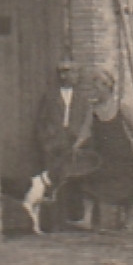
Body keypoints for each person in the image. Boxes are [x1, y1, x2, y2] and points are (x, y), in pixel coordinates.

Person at [72, 66, 133, 232]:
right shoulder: (93, 110)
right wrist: (77, 145)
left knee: (128, 185)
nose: (94, 92)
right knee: (90, 180)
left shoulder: (122, 108)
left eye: (97, 88)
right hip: (102, 155)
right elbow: (86, 130)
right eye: (92, 87)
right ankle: (87, 219)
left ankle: (129, 220)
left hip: (122, 156)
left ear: (107, 87)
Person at [34, 60, 85, 227]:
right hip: (54, 144)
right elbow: (41, 122)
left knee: (73, 179)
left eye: (77, 73)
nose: (75, 77)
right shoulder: (50, 96)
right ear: (63, 75)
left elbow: (85, 119)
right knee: (52, 181)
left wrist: (79, 139)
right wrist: (46, 142)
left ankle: (73, 218)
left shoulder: (81, 97)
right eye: (72, 73)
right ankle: (51, 221)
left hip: (73, 143)